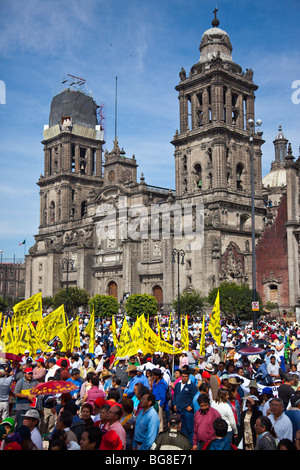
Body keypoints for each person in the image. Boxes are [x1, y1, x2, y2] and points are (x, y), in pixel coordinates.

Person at [173, 369, 198, 444]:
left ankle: (190, 444)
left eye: (186, 376)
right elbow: (175, 395)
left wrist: (191, 406)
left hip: (187, 411)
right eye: (183, 376)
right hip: (179, 410)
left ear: (188, 377)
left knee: (189, 428)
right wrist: (174, 404)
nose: (184, 378)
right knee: (181, 428)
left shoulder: (192, 386)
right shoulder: (177, 385)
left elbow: (195, 397)